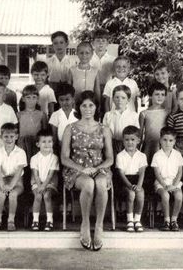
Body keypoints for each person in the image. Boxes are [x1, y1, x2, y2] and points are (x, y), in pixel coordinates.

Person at [61, 90, 113, 251]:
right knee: (89, 185)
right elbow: (64, 158)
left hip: (99, 168)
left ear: (96, 107)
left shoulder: (104, 129)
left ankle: (98, 226)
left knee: (101, 183)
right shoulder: (70, 128)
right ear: (79, 107)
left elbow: (110, 158)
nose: (88, 108)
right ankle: (85, 224)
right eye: (84, 105)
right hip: (76, 169)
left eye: (91, 105)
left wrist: (96, 168)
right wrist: (83, 169)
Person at [0, 123, 26, 232]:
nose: (9, 139)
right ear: (1, 137)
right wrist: (2, 185)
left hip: (17, 180)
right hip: (3, 179)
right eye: (6, 136)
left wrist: (11, 185)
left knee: (13, 195)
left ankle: (11, 221)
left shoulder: (21, 152)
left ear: (16, 136)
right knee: (1, 194)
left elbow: (19, 171)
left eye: (11, 136)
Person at [151, 127, 183, 231]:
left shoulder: (177, 154)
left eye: (170, 140)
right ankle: (166, 221)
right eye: (165, 140)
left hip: (174, 182)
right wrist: (165, 186)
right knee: (165, 195)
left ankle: (174, 220)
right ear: (160, 140)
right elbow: (157, 173)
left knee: (179, 196)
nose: (167, 143)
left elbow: (180, 172)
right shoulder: (157, 155)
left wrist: (174, 185)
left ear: (174, 141)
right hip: (161, 182)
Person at [115, 126, 147, 232]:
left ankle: (137, 220)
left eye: (133, 139)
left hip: (137, 180)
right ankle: (129, 220)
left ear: (138, 140)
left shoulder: (142, 156)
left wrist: (139, 185)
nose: (130, 142)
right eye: (127, 140)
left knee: (140, 193)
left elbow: (142, 172)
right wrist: (129, 186)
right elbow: (121, 174)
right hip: (124, 182)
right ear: (123, 141)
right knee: (131, 194)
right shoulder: (120, 156)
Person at [30, 129, 60, 231]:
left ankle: (49, 221)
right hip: (37, 182)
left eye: (49, 141)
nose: (47, 144)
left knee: (47, 195)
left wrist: (44, 186)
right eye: (43, 142)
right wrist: (40, 186)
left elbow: (50, 175)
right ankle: (35, 221)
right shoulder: (34, 158)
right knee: (38, 195)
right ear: (38, 144)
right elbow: (35, 174)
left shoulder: (54, 158)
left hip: (50, 182)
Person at [103, 85, 139, 154]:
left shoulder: (134, 115)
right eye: (117, 97)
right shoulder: (108, 115)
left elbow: (136, 133)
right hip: (112, 145)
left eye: (123, 98)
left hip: (128, 145)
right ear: (113, 99)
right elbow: (105, 133)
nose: (119, 100)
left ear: (128, 100)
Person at [139, 82, 169, 164]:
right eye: (157, 94)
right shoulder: (144, 113)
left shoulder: (167, 112)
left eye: (163, 94)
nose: (160, 97)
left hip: (162, 146)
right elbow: (140, 134)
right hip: (148, 145)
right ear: (151, 96)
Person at [17, 84, 48, 163]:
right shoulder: (18, 114)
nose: (31, 100)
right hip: (22, 145)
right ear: (23, 99)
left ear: (37, 99)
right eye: (28, 98)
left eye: (34, 97)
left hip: (36, 144)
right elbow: (16, 132)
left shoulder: (42, 114)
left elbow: (45, 133)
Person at [49, 83, 78, 151]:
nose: (64, 102)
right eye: (61, 100)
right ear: (58, 100)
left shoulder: (78, 114)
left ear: (73, 99)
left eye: (67, 99)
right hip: (60, 147)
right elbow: (54, 137)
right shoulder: (55, 115)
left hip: (76, 146)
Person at [90, 28, 116, 94]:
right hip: (92, 89)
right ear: (93, 43)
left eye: (103, 41)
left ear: (107, 43)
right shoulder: (88, 58)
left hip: (108, 90)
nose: (101, 43)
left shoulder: (113, 59)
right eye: (98, 41)